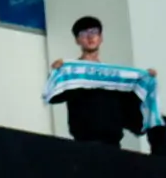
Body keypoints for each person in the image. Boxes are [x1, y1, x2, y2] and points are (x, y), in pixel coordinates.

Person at [48, 16, 146, 146]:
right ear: (77, 40)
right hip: (85, 143)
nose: (90, 37)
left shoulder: (114, 76)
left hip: (114, 145)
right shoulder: (72, 72)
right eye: (84, 33)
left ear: (101, 37)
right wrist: (57, 73)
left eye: (94, 32)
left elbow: (131, 116)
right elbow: (53, 95)